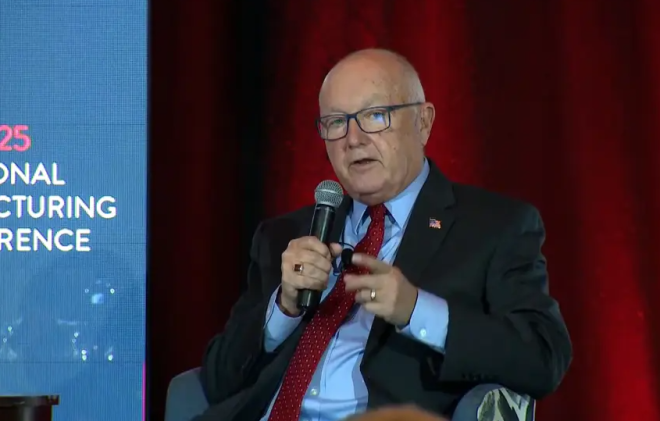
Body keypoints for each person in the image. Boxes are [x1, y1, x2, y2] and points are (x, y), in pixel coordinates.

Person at [194, 48, 572, 421]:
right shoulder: (284, 236)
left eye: (375, 116)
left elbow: (542, 359)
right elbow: (217, 381)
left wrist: (414, 309)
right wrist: (283, 309)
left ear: (423, 123)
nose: (353, 139)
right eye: (336, 122)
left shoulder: (493, 227)